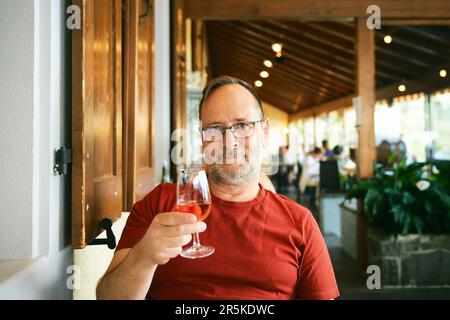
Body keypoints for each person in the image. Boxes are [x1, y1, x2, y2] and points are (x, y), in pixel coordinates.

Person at [96, 76, 339, 300]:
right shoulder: (160, 205)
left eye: (242, 125)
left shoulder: (300, 222)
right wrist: (144, 256)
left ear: (264, 132)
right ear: (203, 139)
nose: (229, 142)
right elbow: (107, 296)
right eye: (215, 129)